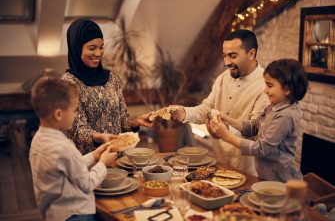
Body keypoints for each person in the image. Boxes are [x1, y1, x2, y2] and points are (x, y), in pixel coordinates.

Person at [172, 29, 269, 176]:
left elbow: (256, 131)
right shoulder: (223, 78)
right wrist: (184, 112)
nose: (226, 62)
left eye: (233, 56)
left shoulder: (265, 86)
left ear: (251, 54)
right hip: (218, 163)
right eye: (224, 56)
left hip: (247, 170)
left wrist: (224, 130)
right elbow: (206, 109)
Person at [30, 77, 117, 221]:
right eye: (74, 110)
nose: (76, 115)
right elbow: (87, 183)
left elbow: (68, 166)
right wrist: (103, 163)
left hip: (54, 213)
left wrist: (94, 156)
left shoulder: (38, 140)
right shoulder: (64, 146)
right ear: (58, 114)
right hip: (76, 214)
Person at [62, 18, 153, 154]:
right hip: (88, 163)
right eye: (92, 48)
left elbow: (122, 120)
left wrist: (135, 122)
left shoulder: (111, 78)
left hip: (116, 157)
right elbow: (76, 130)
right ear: (76, 48)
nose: (98, 53)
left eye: (101, 47)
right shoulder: (68, 84)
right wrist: (101, 137)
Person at [209, 59, 308, 182]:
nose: (265, 90)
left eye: (270, 85)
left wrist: (226, 136)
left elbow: (261, 149)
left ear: (287, 89)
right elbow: (254, 126)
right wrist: (227, 120)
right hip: (266, 178)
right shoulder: (274, 106)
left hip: (281, 182)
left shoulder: (286, 116)